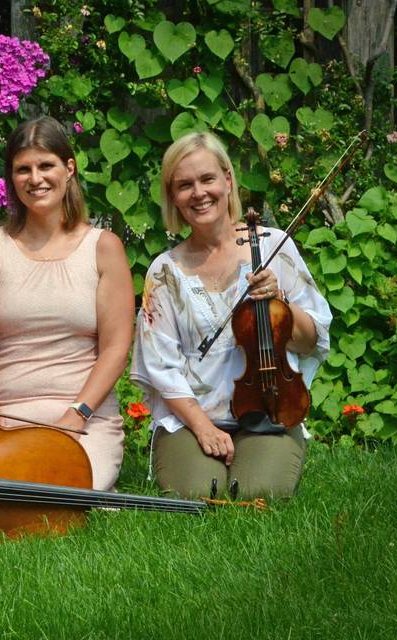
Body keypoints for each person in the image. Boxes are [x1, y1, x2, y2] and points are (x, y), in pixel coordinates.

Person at [130, 131, 333, 500]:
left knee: (257, 492)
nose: (199, 193)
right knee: (197, 494)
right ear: (173, 197)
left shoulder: (274, 247)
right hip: (192, 418)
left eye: (207, 179)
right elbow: (161, 367)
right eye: (184, 185)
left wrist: (281, 304)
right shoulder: (163, 272)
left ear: (227, 180)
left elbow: (311, 339)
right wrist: (203, 428)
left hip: (269, 409)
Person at [0, 116, 135, 492]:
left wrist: (78, 414)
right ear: (11, 179)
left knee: (56, 487)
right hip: (2, 412)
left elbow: (116, 348)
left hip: (82, 416)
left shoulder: (103, 248)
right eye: (23, 169)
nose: (35, 178)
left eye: (45, 165)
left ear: (68, 168)